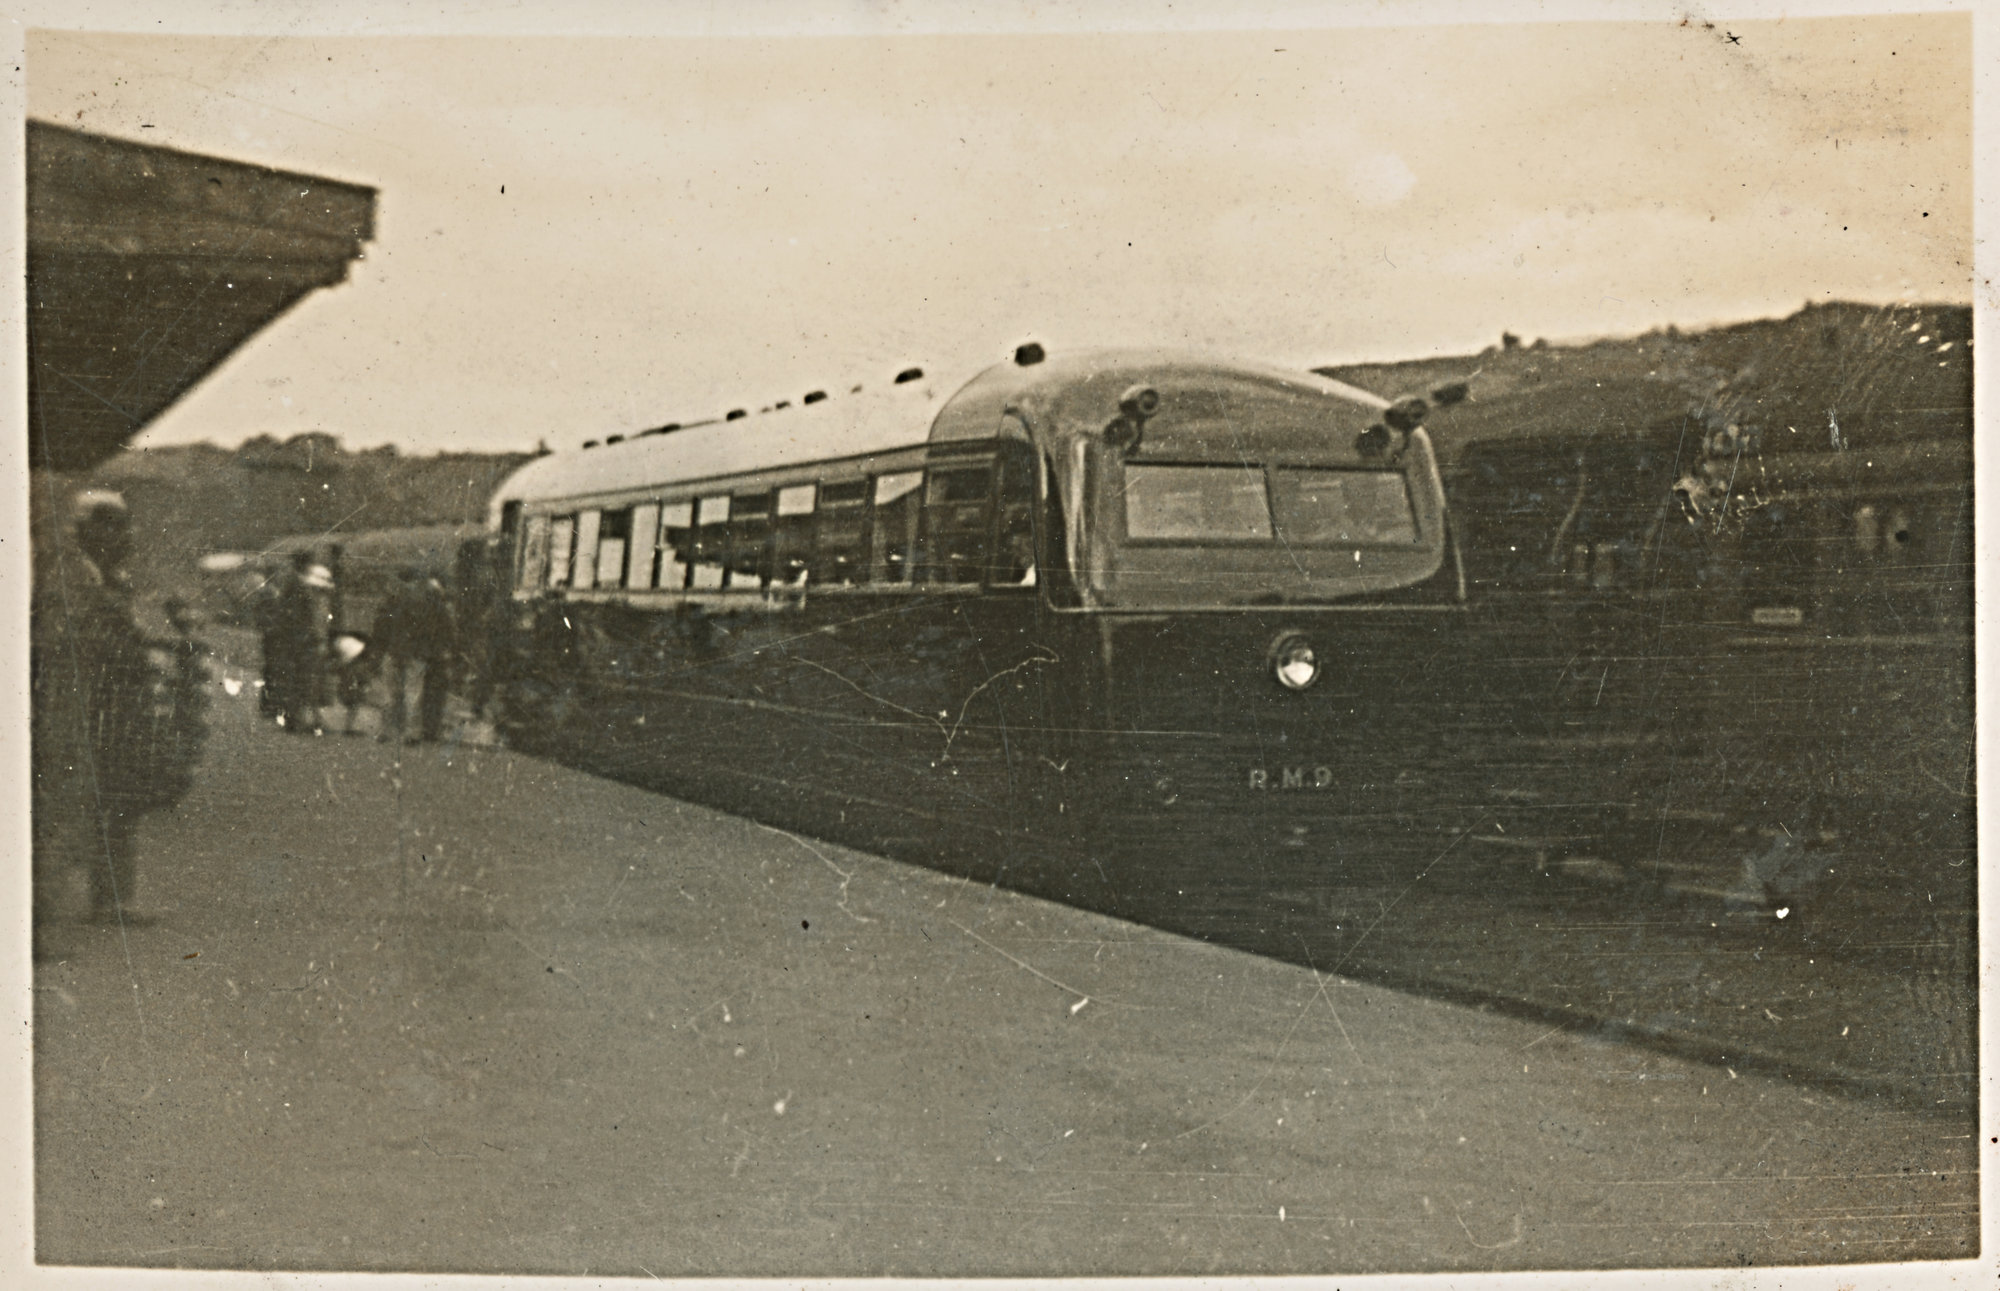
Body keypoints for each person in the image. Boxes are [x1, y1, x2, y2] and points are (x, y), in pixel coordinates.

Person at [31, 489, 207, 948]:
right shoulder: (70, 576)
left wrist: (154, 646)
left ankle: (110, 900)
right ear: (90, 530)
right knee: (72, 809)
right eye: (114, 526)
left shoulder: (107, 577)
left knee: (119, 801)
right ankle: (42, 920)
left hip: (113, 711)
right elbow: (79, 640)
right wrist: (141, 651)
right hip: (81, 710)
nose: (125, 537)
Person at [373, 566, 459, 744]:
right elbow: (445, 629)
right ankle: (411, 733)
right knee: (413, 693)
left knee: (390, 692)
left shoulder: (396, 599)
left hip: (394, 649)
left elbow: (382, 624)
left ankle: (386, 730)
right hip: (417, 652)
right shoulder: (432, 601)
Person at [267, 552, 334, 734]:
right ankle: (299, 721)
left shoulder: (294, 583)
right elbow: (300, 617)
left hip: (295, 640)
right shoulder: (297, 585)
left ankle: (299, 720)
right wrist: (311, 636)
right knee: (303, 679)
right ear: (305, 565)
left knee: (300, 679)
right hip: (300, 641)